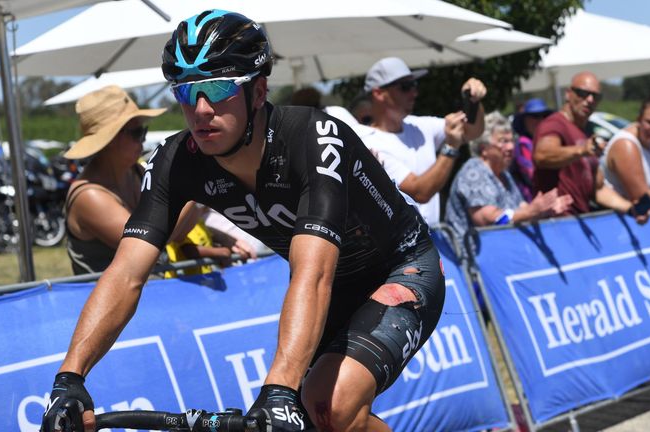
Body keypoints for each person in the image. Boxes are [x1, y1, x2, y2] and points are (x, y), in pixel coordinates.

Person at [41, 10, 445, 432]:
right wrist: (69, 380)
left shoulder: (314, 138)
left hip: (401, 268)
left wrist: (279, 390)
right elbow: (125, 274)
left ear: (258, 91)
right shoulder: (175, 160)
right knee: (321, 418)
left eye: (217, 89)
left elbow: (313, 273)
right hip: (335, 286)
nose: (200, 109)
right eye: (185, 92)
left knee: (328, 405)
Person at [361, 56, 486, 227]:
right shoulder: (368, 142)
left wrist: (473, 102)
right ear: (378, 94)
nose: (414, 93)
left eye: (414, 85)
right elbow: (420, 192)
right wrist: (450, 148)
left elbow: (472, 132)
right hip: (405, 249)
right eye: (405, 87)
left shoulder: (418, 125)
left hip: (431, 239)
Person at [62, 85, 169, 275]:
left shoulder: (136, 172)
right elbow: (146, 243)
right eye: (137, 133)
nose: (143, 139)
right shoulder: (89, 196)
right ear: (110, 139)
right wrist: (191, 193)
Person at [445, 112, 572, 242]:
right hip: (470, 258)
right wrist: (531, 211)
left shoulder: (504, 173)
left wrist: (544, 211)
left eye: (512, 141)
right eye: (503, 142)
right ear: (484, 148)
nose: (511, 147)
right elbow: (489, 220)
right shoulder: (473, 172)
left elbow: (521, 209)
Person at [532, 71, 633, 216]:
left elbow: (598, 189)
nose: (590, 100)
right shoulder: (554, 124)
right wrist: (581, 150)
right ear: (568, 94)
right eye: (582, 93)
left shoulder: (584, 133)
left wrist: (630, 208)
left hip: (580, 220)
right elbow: (542, 156)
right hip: (557, 221)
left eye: (596, 96)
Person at [511, 98, 553, 202]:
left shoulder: (548, 141)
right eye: (535, 116)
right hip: (533, 203)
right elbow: (533, 177)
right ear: (525, 121)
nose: (540, 120)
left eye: (544, 116)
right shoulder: (523, 144)